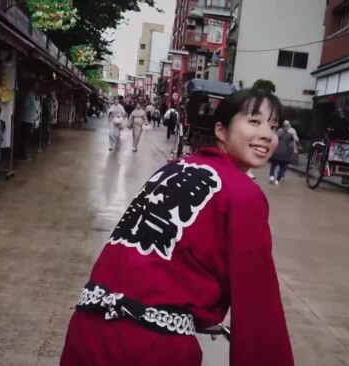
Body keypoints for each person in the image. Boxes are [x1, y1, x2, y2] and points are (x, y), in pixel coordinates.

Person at [60, 88, 294, 366]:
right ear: (221, 130)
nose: (267, 134)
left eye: (274, 126)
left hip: (86, 329)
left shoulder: (173, 169)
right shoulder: (244, 194)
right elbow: (258, 305)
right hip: (150, 348)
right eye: (254, 122)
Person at [17, 80, 41, 160]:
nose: (37, 88)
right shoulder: (29, 94)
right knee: (24, 137)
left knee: (26, 137)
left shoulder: (34, 95)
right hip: (26, 119)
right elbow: (24, 105)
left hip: (30, 119)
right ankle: (21, 155)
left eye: (37, 86)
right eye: (35, 86)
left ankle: (24, 153)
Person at [269, 120, 296, 185]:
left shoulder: (278, 133)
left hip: (276, 153)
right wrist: (292, 153)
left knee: (273, 165)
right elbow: (293, 145)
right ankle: (277, 180)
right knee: (283, 168)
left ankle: (272, 176)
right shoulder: (290, 135)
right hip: (285, 155)